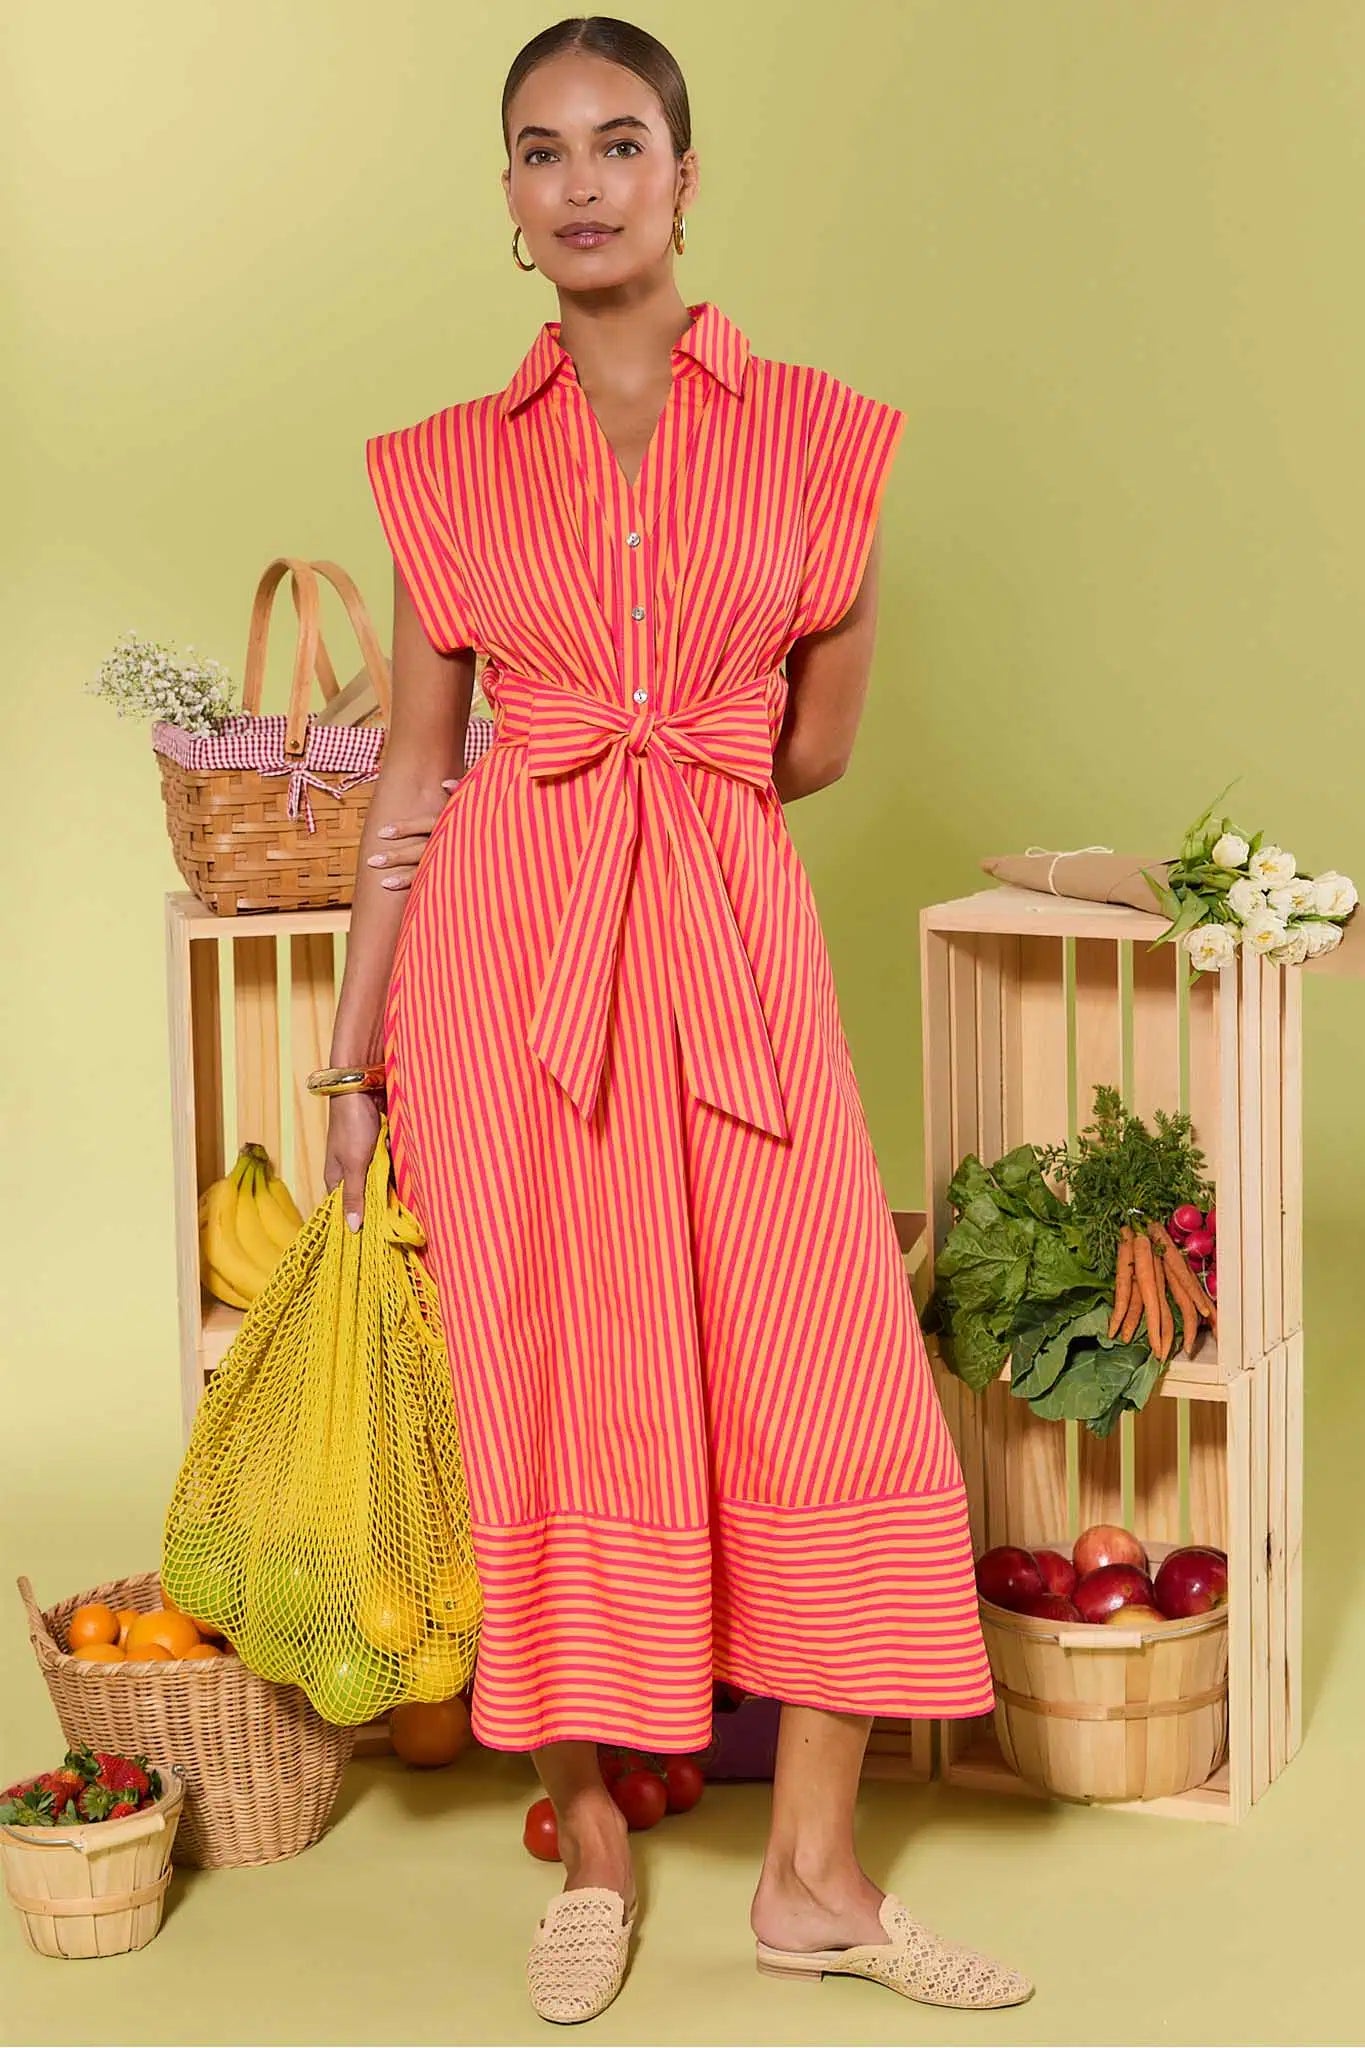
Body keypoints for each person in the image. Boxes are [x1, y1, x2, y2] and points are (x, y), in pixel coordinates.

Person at [321, 14, 1032, 2026]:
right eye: (538, 151)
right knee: (546, 1378)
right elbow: (411, 776)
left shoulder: (821, 434)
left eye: (617, 143)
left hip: (723, 941)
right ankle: (595, 1835)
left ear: (684, 176)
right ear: (508, 200)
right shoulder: (446, 468)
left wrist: (663, 795)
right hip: (499, 971)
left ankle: (810, 1876)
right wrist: (354, 1044)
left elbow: (807, 745)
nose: (578, 182)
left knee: (826, 1379)